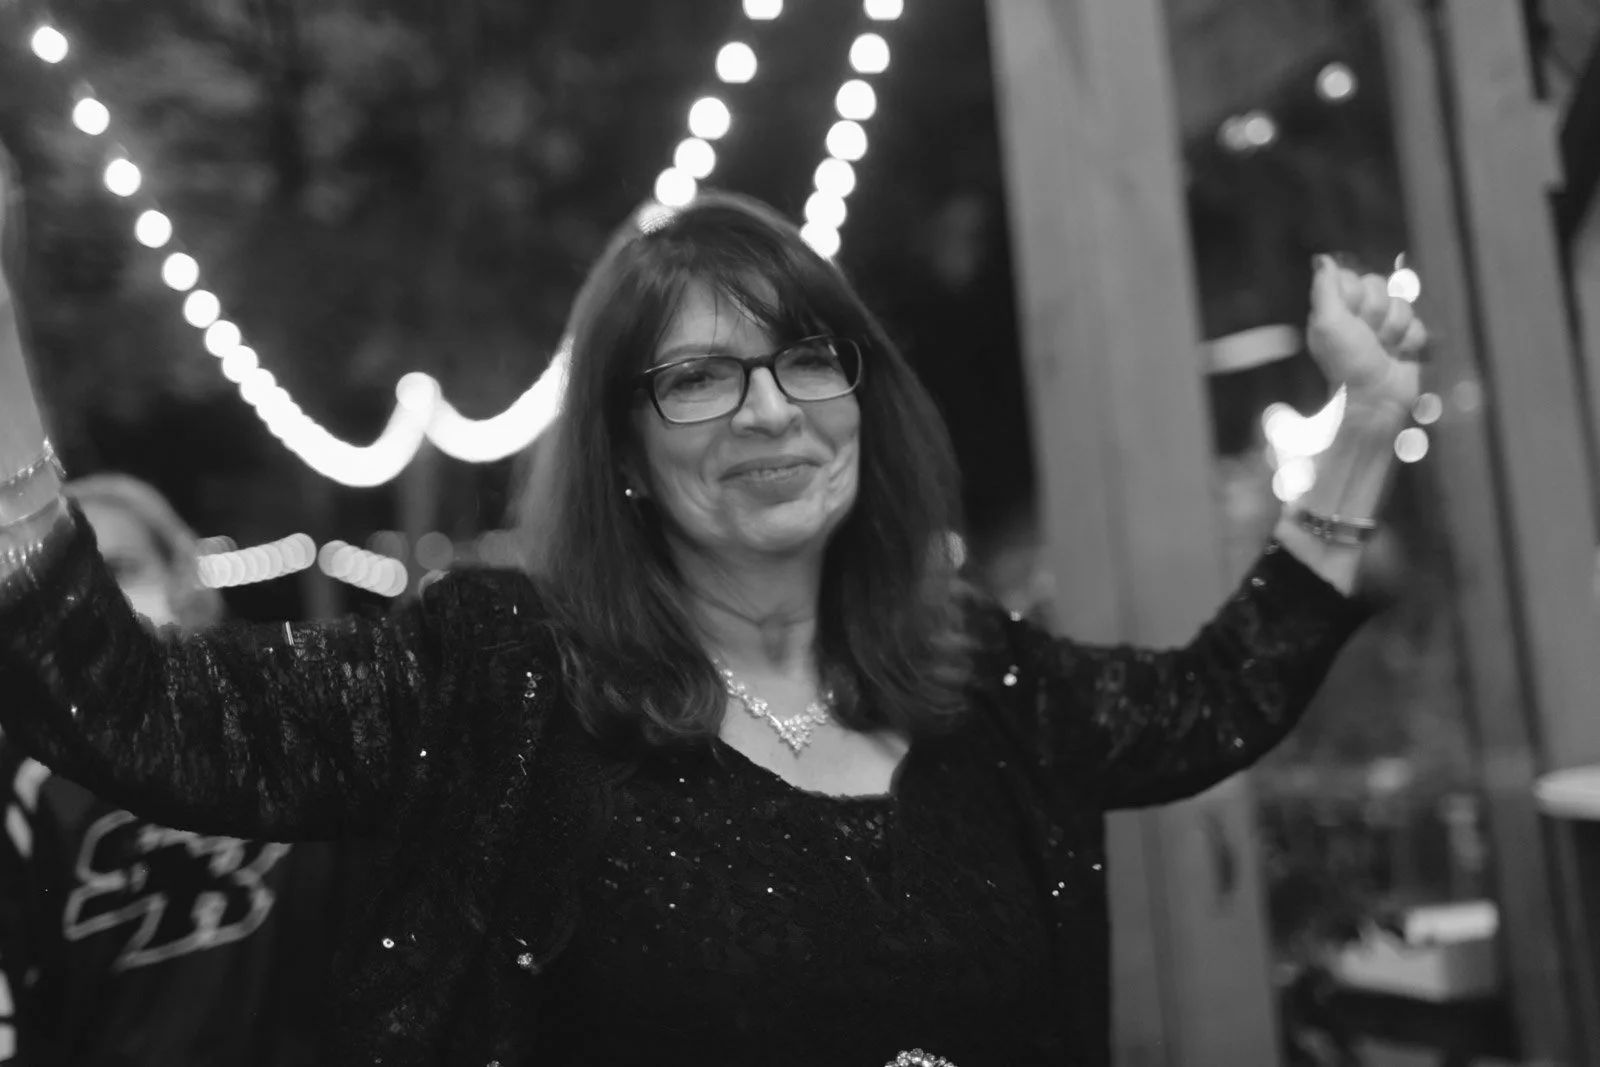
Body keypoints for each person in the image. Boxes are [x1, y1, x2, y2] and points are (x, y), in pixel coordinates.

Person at [0, 153, 1425, 1065]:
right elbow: (133, 710)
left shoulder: (969, 668)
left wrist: (1365, 422)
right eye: (697, 378)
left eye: (807, 360)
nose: (769, 415)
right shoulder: (499, 671)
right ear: (623, 446)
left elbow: (1208, 700)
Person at [0, 473, 358, 1066]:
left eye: (117, 568)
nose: (87, 602)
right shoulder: (21, 788)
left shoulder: (293, 728)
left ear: (181, 577)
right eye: (53, 587)